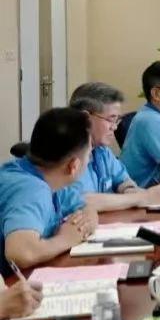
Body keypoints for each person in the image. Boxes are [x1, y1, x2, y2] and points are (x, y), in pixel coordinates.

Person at [0, 108, 98, 274]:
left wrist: (85, 222)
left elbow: (85, 207)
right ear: (73, 166)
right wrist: (66, 239)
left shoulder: (48, 176)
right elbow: (20, 253)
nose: (89, 160)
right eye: (89, 154)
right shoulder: (31, 190)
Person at [68, 82, 160, 211]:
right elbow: (83, 202)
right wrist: (141, 198)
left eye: (117, 120)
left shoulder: (102, 150)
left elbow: (123, 181)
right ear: (85, 119)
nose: (115, 127)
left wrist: (130, 190)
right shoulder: (67, 154)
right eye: (111, 119)